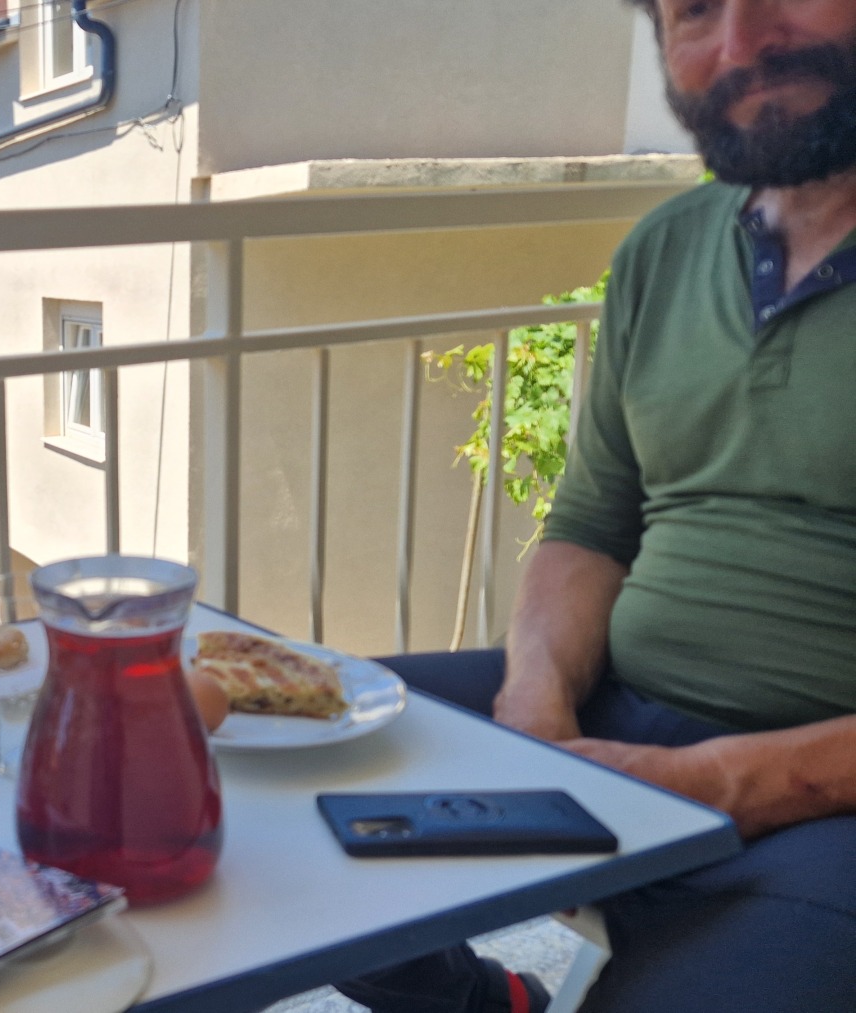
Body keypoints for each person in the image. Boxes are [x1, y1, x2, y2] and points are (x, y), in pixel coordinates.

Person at [337, 1, 856, 1010]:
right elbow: (589, 524)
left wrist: (718, 781)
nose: (741, 42)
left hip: (827, 806)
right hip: (620, 708)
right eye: (693, 9)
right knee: (274, 771)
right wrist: (534, 704)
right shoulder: (667, 248)